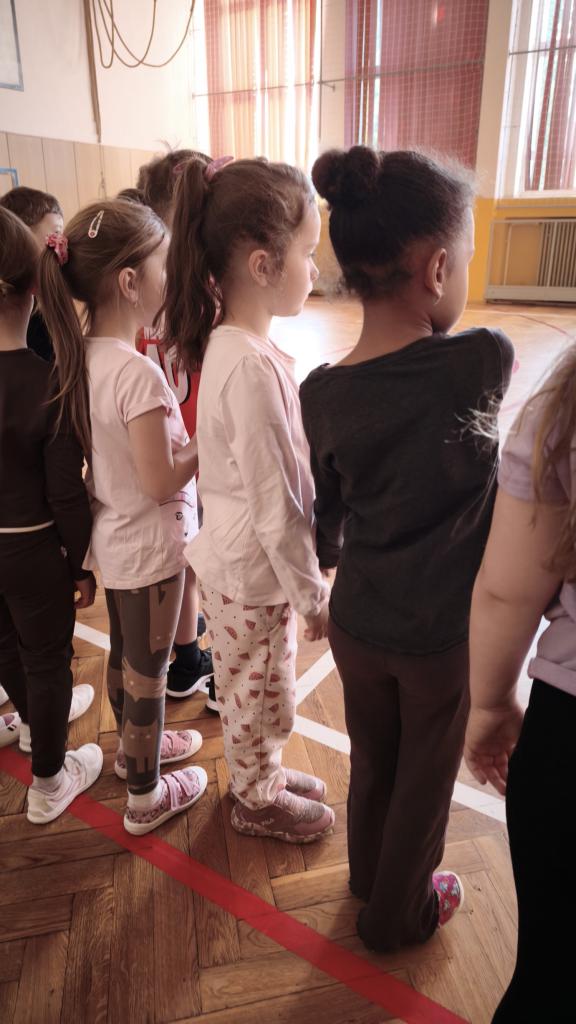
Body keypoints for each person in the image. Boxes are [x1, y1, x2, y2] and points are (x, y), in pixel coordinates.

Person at [299, 146, 514, 949]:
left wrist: (326, 561)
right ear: (437, 269)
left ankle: (368, 878)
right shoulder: (482, 359)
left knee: (374, 760)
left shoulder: (320, 393)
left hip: (357, 623)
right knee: (424, 780)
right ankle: (400, 914)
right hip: (439, 637)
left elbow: (325, 518)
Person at [162, 156, 334, 843]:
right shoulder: (248, 367)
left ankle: (262, 773)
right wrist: (311, 594)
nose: (315, 269)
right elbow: (276, 504)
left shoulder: (238, 347)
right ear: (263, 266)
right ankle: (255, 799)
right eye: (308, 253)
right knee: (260, 695)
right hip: (256, 575)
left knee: (258, 690)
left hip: (245, 569)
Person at [37, 198, 207, 835]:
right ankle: (144, 794)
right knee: (149, 678)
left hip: (117, 541)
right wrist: (207, 437)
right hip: (151, 549)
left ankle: (134, 755)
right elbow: (160, 479)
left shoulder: (81, 355)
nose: (171, 277)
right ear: (131, 282)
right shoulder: (136, 374)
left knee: (127, 660)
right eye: (163, 265)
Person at [464, 347, 576, 1021]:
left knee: (550, 976)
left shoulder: (567, 395)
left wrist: (490, 703)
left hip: (567, 744)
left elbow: (508, 591)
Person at [0, 206, 101, 824]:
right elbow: (66, 494)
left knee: (5, 646)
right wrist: (82, 564)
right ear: (35, 288)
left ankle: (37, 726)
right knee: (46, 659)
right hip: (32, 548)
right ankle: (50, 781)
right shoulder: (48, 381)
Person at [134, 150, 214, 702]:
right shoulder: (205, 293)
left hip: (155, 449)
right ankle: (187, 657)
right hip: (194, 452)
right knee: (193, 558)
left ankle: (182, 648)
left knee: (182, 556)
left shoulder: (141, 291)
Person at [0, 186, 64, 362]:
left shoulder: (44, 297)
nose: (62, 244)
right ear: (22, 236)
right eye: (56, 233)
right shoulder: (22, 305)